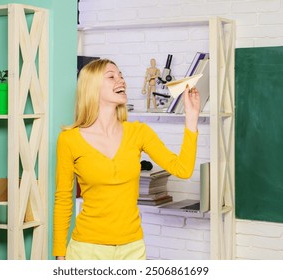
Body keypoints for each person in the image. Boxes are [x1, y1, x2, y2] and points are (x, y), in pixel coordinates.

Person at [53, 58, 200, 260]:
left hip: (132, 250)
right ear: (91, 87)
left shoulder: (139, 132)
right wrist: (60, 255)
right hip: (86, 250)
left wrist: (191, 118)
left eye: (121, 75)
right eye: (111, 77)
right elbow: (63, 200)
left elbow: (183, 169)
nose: (121, 80)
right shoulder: (69, 139)